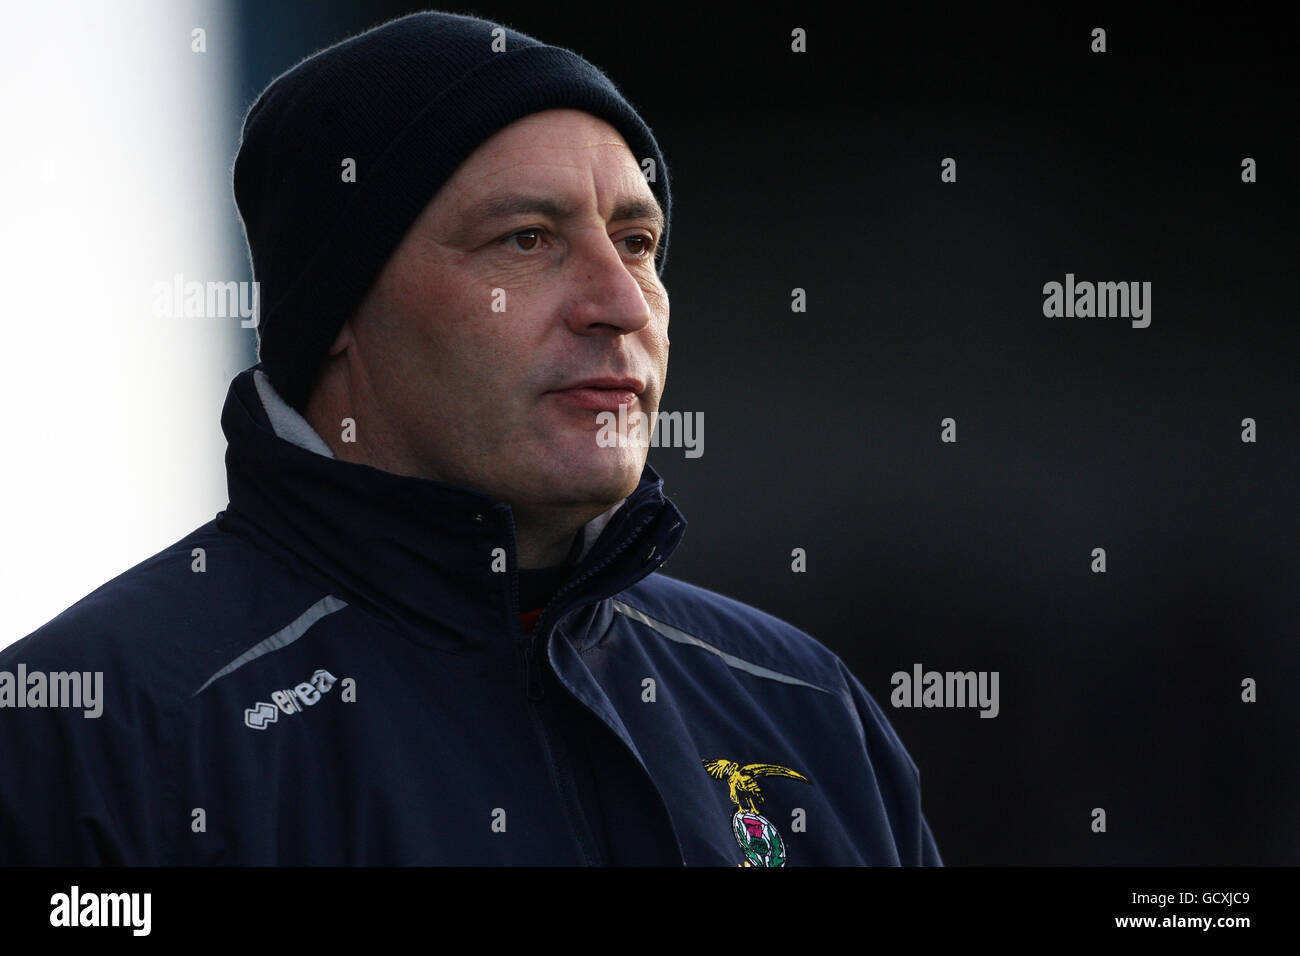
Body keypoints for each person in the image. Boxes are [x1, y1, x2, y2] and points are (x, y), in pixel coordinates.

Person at [0, 11, 941, 867]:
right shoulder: (80, 735)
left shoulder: (806, 710)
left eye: (639, 241)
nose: (619, 303)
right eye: (526, 240)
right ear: (337, 308)